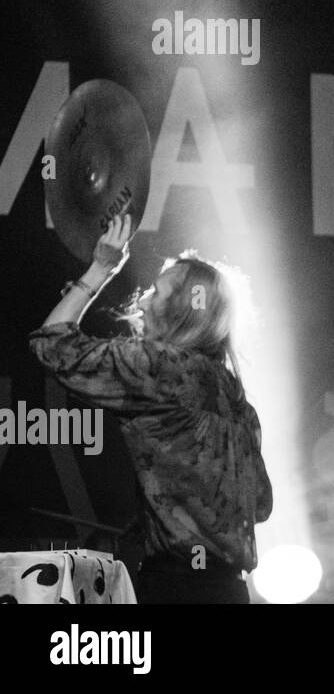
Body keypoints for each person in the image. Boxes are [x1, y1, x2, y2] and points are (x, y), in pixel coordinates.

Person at [28, 213, 272, 603]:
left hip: (178, 588)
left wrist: (102, 267)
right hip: (232, 591)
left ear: (182, 310)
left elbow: (53, 344)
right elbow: (259, 504)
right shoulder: (237, 400)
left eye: (155, 292)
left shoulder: (160, 367)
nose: (141, 299)